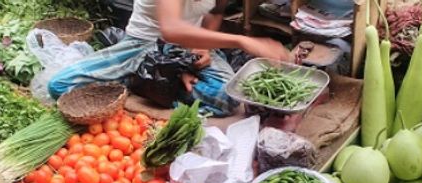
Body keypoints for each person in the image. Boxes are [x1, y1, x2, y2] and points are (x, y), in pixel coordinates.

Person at [48, 0, 291, 116]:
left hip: (189, 46)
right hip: (144, 45)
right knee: (60, 85)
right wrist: (242, 41)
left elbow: (215, 12)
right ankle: (145, 80)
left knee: (228, 98)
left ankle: (156, 85)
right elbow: (171, 29)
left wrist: (205, 46)